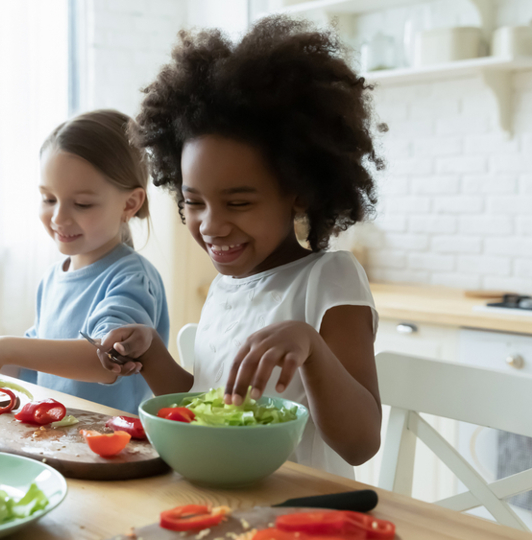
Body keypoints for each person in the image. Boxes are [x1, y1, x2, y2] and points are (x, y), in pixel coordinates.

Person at [98, 17, 384, 476]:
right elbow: (207, 403)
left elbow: (361, 443)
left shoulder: (329, 279)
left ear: (299, 191)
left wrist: (310, 346)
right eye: (194, 202)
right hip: (221, 503)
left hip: (305, 515)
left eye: (238, 202)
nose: (212, 225)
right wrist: (151, 352)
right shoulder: (225, 287)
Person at [0, 110, 169, 415]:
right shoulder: (53, 278)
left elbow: (106, 362)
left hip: (111, 448)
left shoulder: (132, 277)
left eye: (82, 203)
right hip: (57, 437)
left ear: (130, 203)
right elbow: (33, 366)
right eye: (49, 199)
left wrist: (0, 348)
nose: (59, 217)